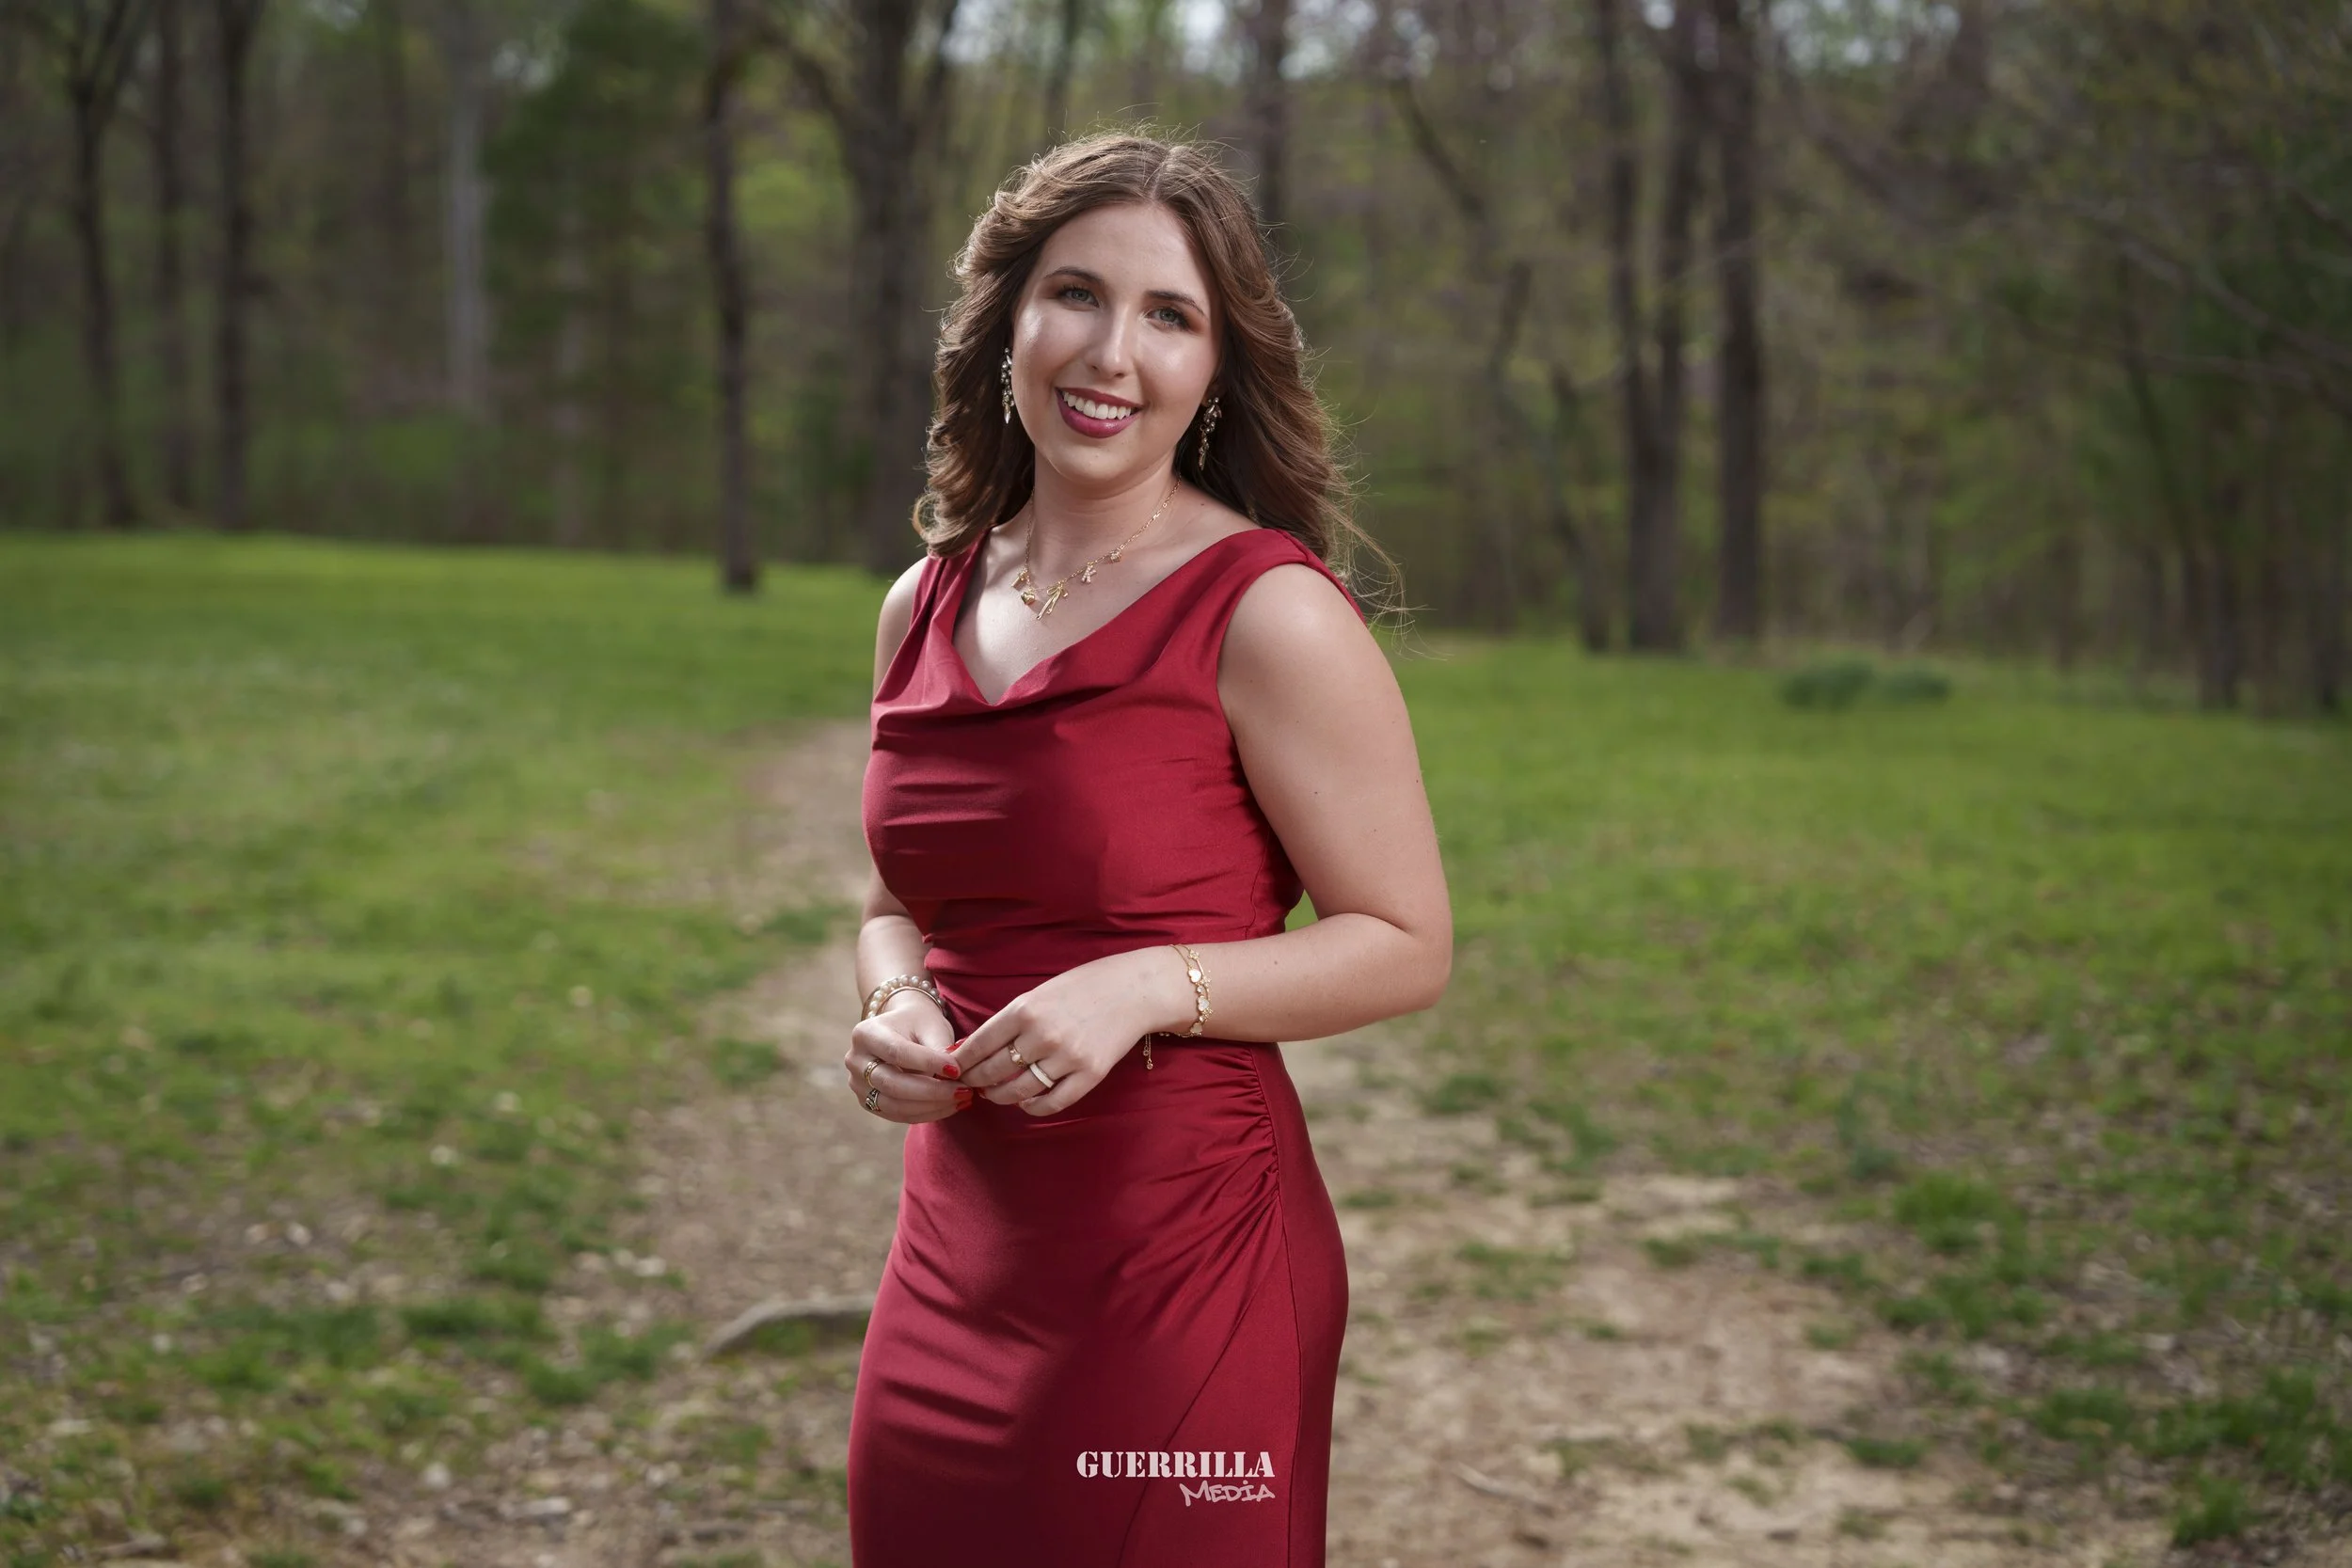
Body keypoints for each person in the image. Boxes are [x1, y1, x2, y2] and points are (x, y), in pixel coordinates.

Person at [845, 131, 1453, 1568]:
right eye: (1075, 293)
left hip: (1186, 1269)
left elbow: (1408, 941)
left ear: (1217, 369)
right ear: (1007, 324)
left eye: (1169, 315)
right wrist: (890, 997)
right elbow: (893, 897)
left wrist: (1145, 986)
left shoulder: (1272, 612)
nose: (1111, 351)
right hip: (951, 1262)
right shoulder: (920, 601)